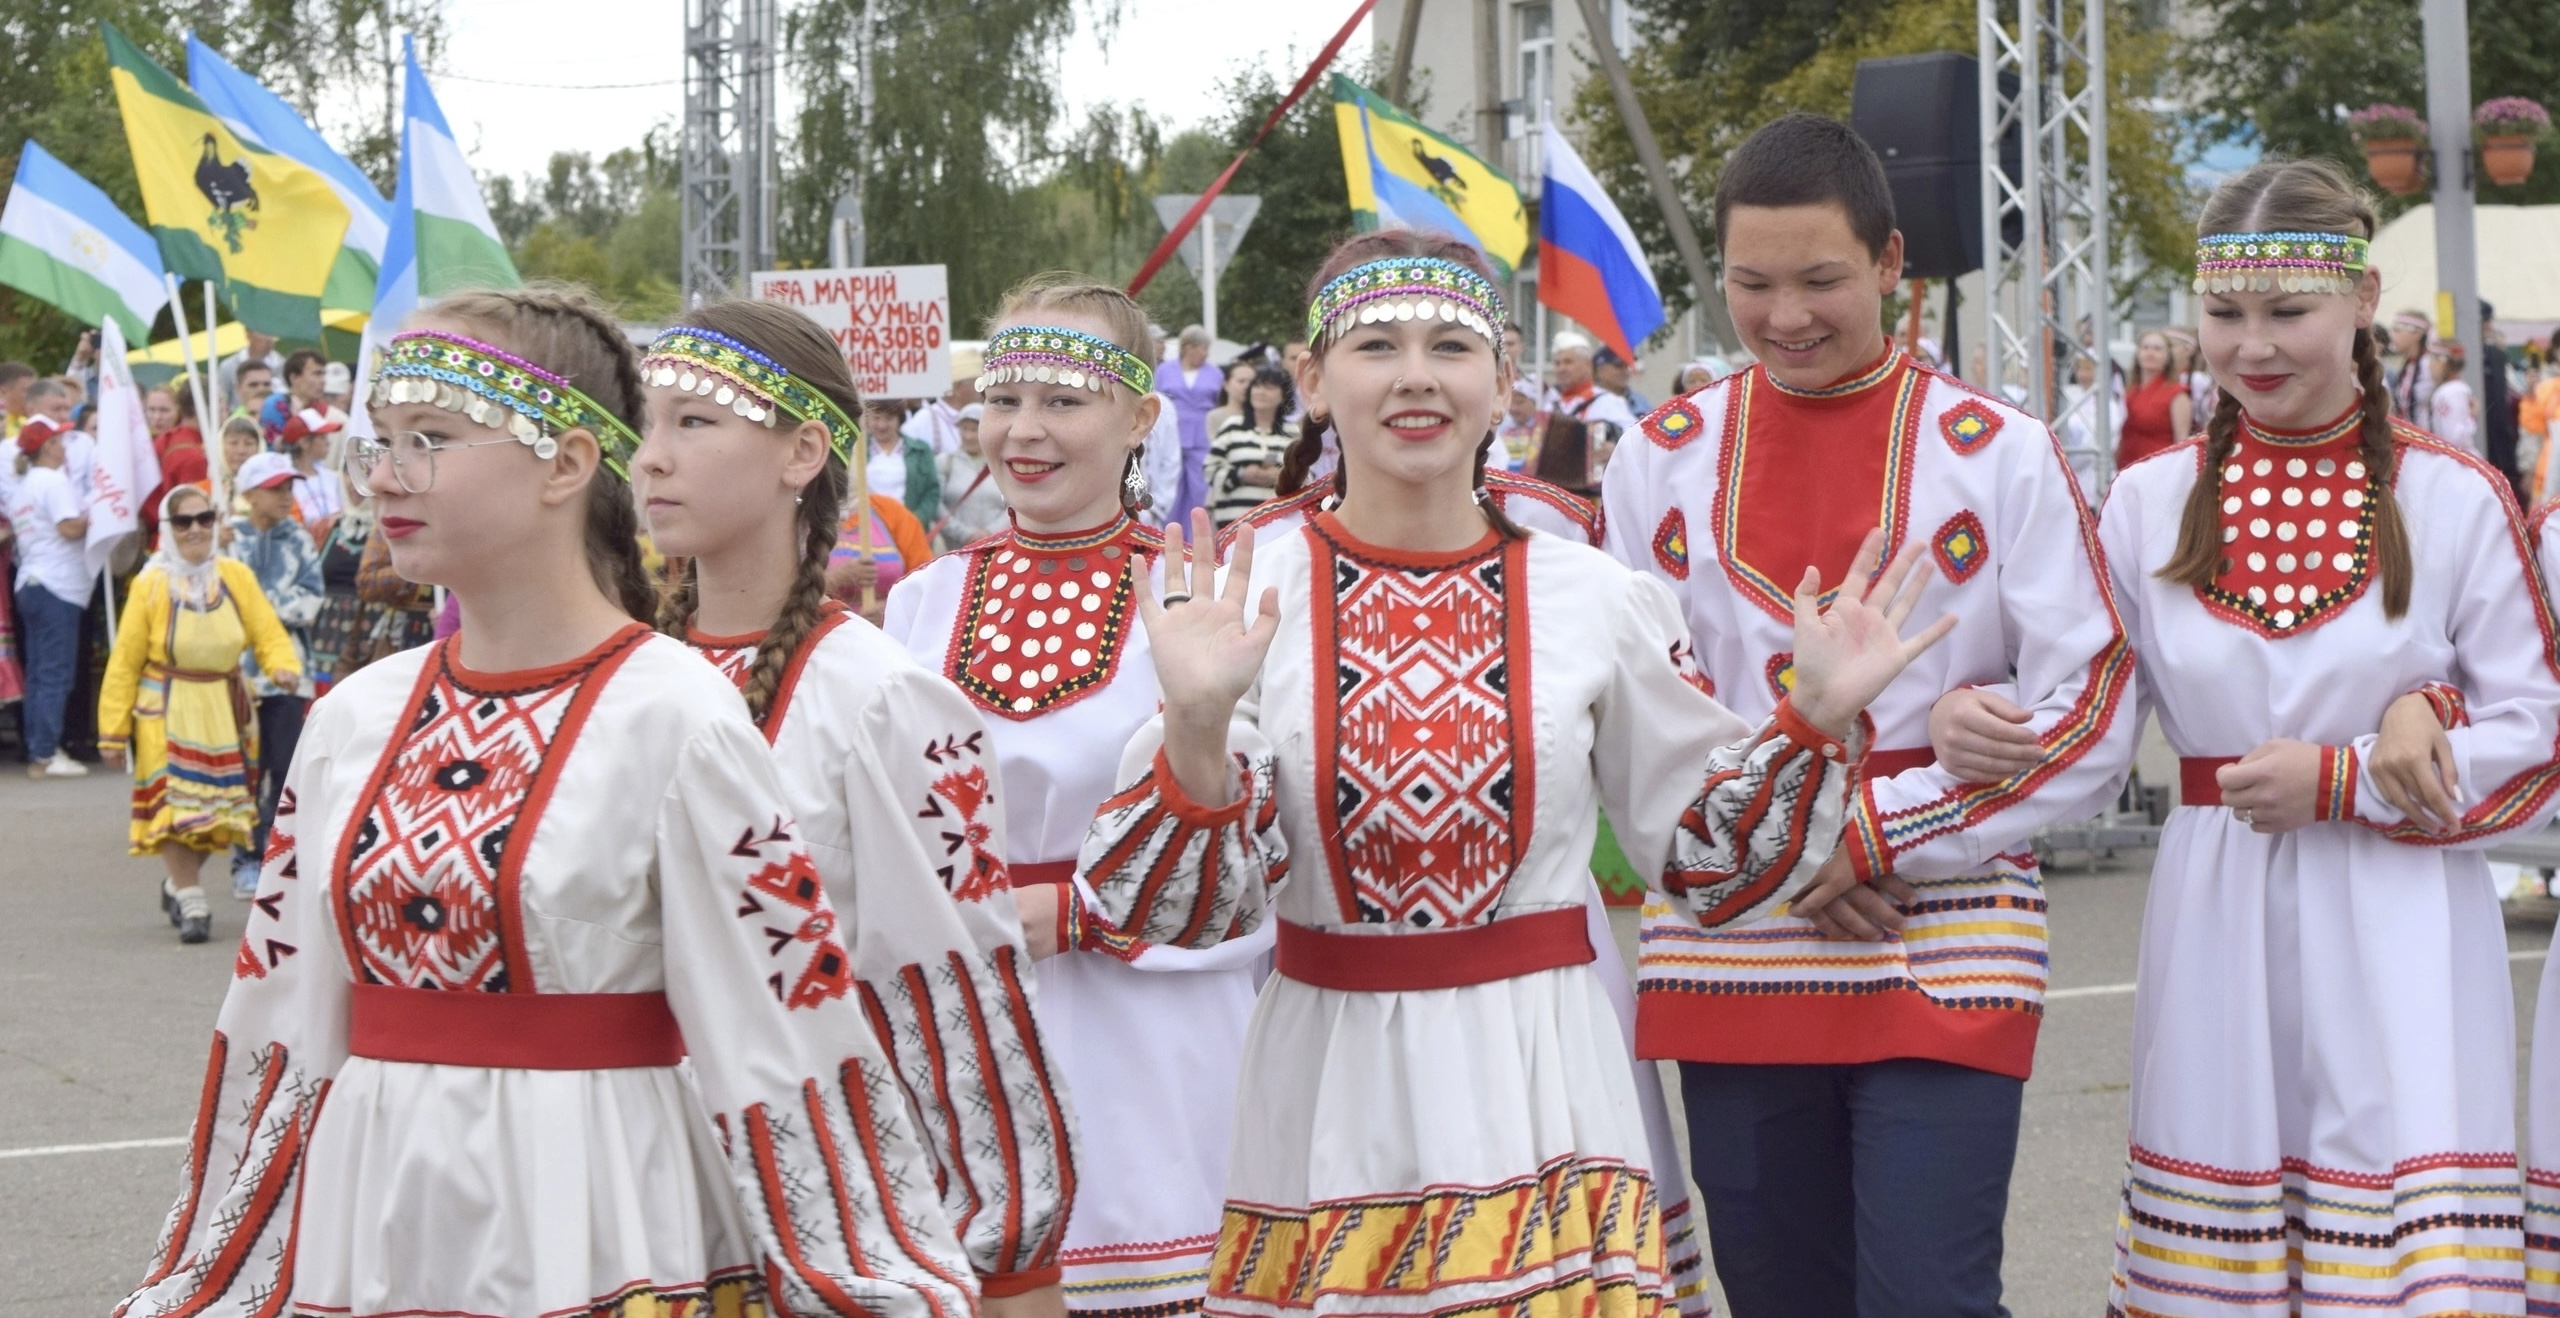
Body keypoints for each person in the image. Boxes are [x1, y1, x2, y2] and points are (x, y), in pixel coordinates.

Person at [1073, 228, 1954, 1318]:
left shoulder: (1590, 595)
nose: (1413, 376)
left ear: (1500, 382)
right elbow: (1165, 911)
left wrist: (1810, 718)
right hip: (1330, 1070)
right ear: (1309, 380)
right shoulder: (1252, 592)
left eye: (1450, 345)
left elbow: (1705, 865)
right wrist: (1197, 728)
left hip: (1540, 1057)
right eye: (1374, 345)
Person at [121, 284, 984, 1318]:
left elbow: (782, 1029)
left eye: (430, 437)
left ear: (568, 465)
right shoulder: (352, 718)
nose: (387, 475)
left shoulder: (677, 717)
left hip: (595, 1207)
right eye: (380, 440)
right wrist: (210, 1276)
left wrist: (876, 1283)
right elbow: (278, 1014)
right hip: (375, 1215)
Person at [1936, 156, 2560, 1317]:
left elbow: (2540, 738)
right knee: (2218, 1243)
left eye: (2288, 313)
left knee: (2398, 1224)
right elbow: (2083, 721)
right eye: (2223, 316)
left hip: (2402, 920)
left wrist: (2350, 778)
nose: (2250, 347)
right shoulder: (2144, 501)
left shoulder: (2454, 496)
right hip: (2216, 903)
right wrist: (1957, 716)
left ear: (2362, 301)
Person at [1599, 112, 2137, 1318]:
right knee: (1779, 1296)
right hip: (1737, 941)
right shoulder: (1658, 459)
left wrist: (1871, 831)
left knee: (1927, 1297)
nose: (1785, 314)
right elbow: (1637, 713)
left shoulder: (1998, 452)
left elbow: (2091, 704)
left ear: (1893, 263)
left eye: (1821, 279)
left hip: (1937, 926)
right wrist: (1800, 846)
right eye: (1750, 283)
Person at [637, 304, 1074, 1310]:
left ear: (800, 452)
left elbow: (956, 1006)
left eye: (693, 423)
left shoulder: (876, 696)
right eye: (646, 424)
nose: (653, 458)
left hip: (822, 1209)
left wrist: (1009, 1264)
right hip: (634, 1187)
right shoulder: (632, 680)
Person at [881, 276, 1273, 1318]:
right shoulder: (922, 601)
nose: (1023, 430)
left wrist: (1083, 912)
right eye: (1003, 399)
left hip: (1158, 1021)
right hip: (970, 1018)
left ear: (1141, 416)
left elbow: (1263, 839)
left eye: (1063, 399)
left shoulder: (1193, 591)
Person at [98, 483, 301, 942]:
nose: (196, 530)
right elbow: (125, 661)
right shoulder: (149, 584)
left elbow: (267, 631)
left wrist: (283, 667)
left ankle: (176, 882)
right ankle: (192, 900)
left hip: (224, 708)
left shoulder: (235, 576)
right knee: (175, 807)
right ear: (167, 530)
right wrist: (112, 731)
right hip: (165, 707)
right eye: (183, 522)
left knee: (218, 813)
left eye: (204, 519)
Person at [221, 451, 322, 900]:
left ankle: (277, 856)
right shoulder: (225, 540)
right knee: (245, 771)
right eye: (275, 488)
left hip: (286, 674)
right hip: (236, 676)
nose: (285, 496)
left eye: (289, 487)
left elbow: (312, 598)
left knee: (284, 769)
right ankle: (244, 858)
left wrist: (262, 611)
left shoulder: (299, 538)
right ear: (249, 494)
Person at [8, 418, 93, 777]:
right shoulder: (54, 482)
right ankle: (46, 753)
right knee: (55, 673)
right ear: (48, 447)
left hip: (32, 582)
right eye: (60, 440)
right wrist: (98, 514)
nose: (65, 446)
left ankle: (39, 749)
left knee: (41, 673)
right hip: (58, 585)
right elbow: (69, 527)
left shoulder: (23, 486)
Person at [1205, 363, 1294, 529]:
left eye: (1268, 387)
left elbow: (1307, 476)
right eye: (1257, 386)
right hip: (1233, 524)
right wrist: (1241, 474)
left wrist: (1282, 477)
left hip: (1279, 525)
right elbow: (1210, 471)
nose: (1260, 392)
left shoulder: (1292, 433)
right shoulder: (1231, 427)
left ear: (1283, 395)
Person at [1157, 324, 1223, 527]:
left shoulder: (1215, 373)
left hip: (1203, 434)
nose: (1206, 353)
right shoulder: (1164, 370)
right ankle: (1166, 532)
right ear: (1188, 347)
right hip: (1171, 432)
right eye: (1203, 347)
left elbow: (1220, 401)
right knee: (1171, 485)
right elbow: (1156, 398)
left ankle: (1198, 534)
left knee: (1200, 486)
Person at [932, 402, 1006, 551]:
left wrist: (990, 533)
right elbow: (936, 504)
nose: (968, 436)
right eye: (964, 428)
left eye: (974, 429)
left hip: (998, 547)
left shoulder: (1003, 463)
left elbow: (1015, 506)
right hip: (955, 548)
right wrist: (965, 534)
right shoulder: (945, 462)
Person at [2119, 328, 2194, 468]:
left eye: (2157, 349)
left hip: (2159, 468)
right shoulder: (2130, 391)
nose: (2150, 353)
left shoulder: (2177, 393)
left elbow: (2182, 442)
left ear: (2168, 357)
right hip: (2126, 467)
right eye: (2145, 347)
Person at [142, 386, 208, 543]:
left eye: (164, 411)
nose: (157, 417)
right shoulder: (184, 450)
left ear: (179, 411)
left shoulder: (179, 441)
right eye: (151, 410)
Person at [1545, 331, 1639, 437]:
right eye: (1557, 364)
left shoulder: (1608, 402)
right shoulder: (1549, 406)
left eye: (1568, 362)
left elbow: (1633, 439)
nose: (1561, 369)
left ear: (1588, 364)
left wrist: (1613, 446)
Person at [279, 404, 347, 537]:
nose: (328, 443)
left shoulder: (333, 478)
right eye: (322, 438)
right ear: (304, 442)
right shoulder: (284, 479)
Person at [259, 348, 328, 443]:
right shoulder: (275, 405)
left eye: (323, 374)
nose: (323, 381)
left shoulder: (324, 409)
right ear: (294, 377)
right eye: (317, 374)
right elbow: (275, 447)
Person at [2428, 343, 2479, 453]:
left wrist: (2471, 418)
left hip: (2457, 458)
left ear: (2442, 364)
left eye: (2432, 361)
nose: (2430, 366)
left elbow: (2453, 438)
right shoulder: (2453, 389)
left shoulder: (2451, 391)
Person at [2386, 308, 2433, 422]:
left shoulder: (2428, 366)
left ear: (2416, 334)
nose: (2391, 335)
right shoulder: (2408, 366)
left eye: (2397, 330)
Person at [1204, 357, 1260, 437]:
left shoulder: (1261, 415)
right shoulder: (1215, 416)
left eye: (1251, 382)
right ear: (1226, 384)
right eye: (1241, 381)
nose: (1247, 386)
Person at [1495, 377, 1542, 471]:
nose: (1514, 408)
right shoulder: (1502, 427)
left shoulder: (1543, 428)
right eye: (1511, 403)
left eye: (1520, 403)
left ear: (1533, 403)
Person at [1594, 343, 1651, 414]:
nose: (1625, 371)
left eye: (1626, 365)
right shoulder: (1593, 405)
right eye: (1618, 366)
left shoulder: (1640, 401)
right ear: (1601, 371)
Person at [231, 359, 275, 424]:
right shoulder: (233, 425)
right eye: (254, 385)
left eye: (267, 384)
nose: (261, 389)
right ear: (238, 388)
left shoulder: (286, 415)